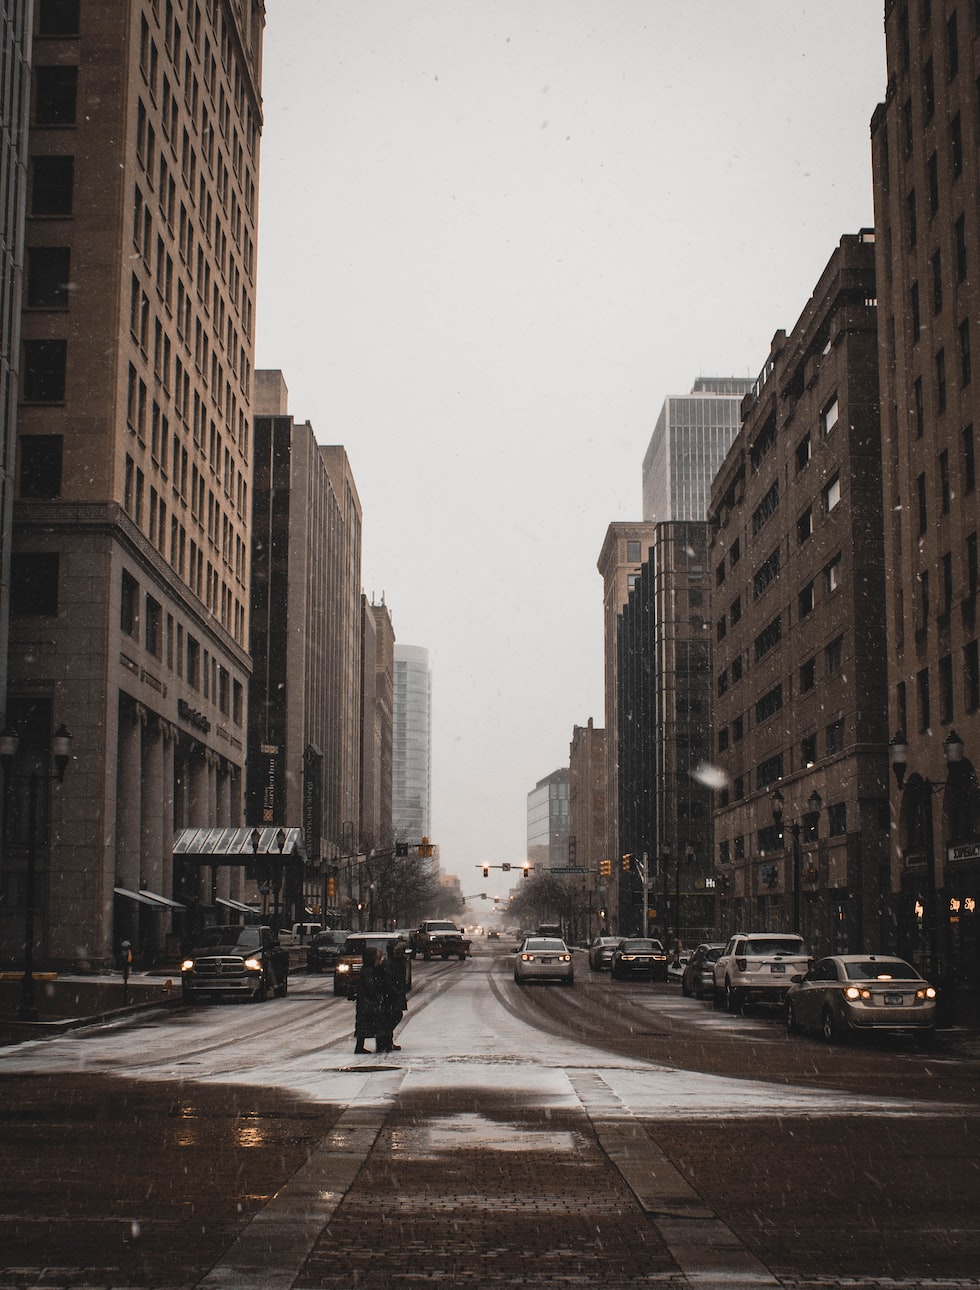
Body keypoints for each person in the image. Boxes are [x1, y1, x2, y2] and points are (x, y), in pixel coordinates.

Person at [376, 937, 408, 1053]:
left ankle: (387, 1041)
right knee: (390, 1017)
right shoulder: (389, 963)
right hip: (391, 995)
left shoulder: (399, 961)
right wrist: (394, 991)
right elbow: (387, 980)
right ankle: (385, 1041)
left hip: (395, 994)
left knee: (394, 1016)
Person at [353, 946, 384, 1053]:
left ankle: (360, 1045)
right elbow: (371, 987)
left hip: (365, 1002)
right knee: (367, 1023)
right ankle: (363, 1046)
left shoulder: (368, 970)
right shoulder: (368, 971)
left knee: (364, 1023)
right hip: (367, 1002)